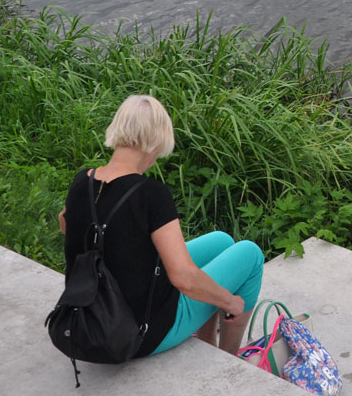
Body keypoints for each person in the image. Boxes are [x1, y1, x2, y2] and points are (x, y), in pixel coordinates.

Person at [58, 94, 264, 357]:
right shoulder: (151, 195)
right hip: (136, 332)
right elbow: (184, 278)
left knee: (221, 241)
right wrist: (231, 301)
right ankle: (231, 357)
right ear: (156, 142)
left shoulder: (82, 181)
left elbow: (66, 224)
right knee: (251, 254)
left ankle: (208, 345)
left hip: (89, 313)